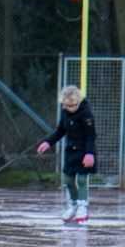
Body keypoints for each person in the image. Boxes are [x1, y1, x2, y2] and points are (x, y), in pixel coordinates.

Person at [36, 85, 96, 223]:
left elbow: (91, 135)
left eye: (72, 106)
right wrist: (48, 143)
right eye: (66, 106)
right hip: (71, 151)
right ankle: (74, 204)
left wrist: (89, 153)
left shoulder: (86, 114)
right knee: (68, 180)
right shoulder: (65, 113)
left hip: (84, 150)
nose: (69, 108)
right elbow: (60, 130)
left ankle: (83, 206)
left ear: (78, 102)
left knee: (81, 179)